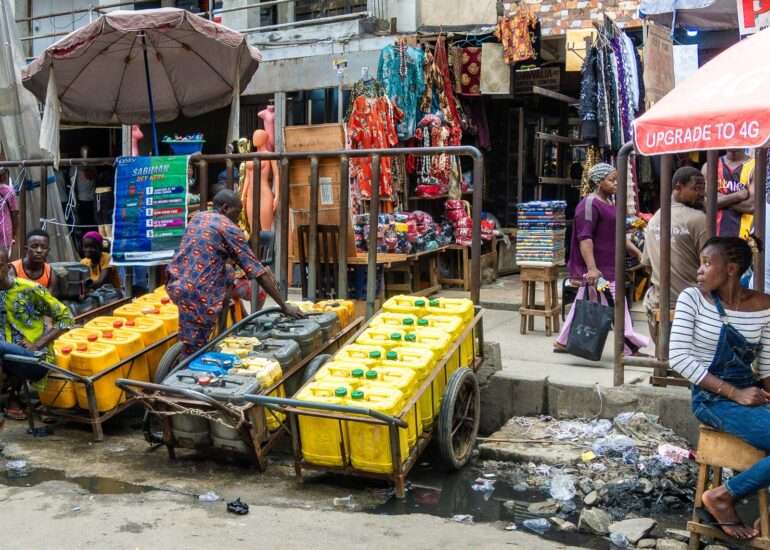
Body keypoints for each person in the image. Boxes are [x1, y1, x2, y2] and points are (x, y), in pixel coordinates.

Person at [669, 237, 770, 540]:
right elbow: (678, 357)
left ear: (731, 268)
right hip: (711, 398)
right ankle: (722, 497)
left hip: (750, 395)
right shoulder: (693, 299)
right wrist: (735, 393)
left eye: (707, 263)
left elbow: (766, 367)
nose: (699, 270)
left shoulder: (765, 306)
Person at [166, 189, 303, 356]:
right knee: (195, 352)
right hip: (199, 294)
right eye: (237, 212)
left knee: (228, 272)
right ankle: (187, 372)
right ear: (225, 208)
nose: (238, 218)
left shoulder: (198, 217)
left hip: (176, 284)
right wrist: (284, 305)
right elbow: (258, 272)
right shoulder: (228, 227)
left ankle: (221, 332)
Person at [554, 163, 649, 355]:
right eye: (612, 180)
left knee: (588, 301)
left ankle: (564, 341)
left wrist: (638, 254)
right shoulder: (589, 204)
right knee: (616, 304)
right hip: (599, 270)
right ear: (598, 182)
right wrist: (592, 269)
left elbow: (617, 235)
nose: (616, 184)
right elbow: (585, 238)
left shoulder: (610, 204)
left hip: (608, 266)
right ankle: (629, 346)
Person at [0, 247, 74, 419]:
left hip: (33, 358)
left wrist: (38, 344)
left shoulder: (29, 289)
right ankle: (12, 398)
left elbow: (66, 318)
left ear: (8, 267)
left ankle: (14, 398)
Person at [642, 166, 707, 341]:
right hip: (691, 303)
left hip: (658, 301)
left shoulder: (655, 218)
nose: (701, 194)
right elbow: (710, 267)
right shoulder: (698, 219)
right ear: (678, 187)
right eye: (696, 189)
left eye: (702, 189)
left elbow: (647, 265)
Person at [701, 149, 755, 238]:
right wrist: (738, 196)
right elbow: (705, 204)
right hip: (715, 236)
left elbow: (751, 206)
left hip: (745, 236)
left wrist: (718, 200)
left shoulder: (755, 166)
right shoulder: (709, 166)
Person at [10, 229, 57, 293]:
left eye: (43, 247)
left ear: (48, 251)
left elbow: (48, 298)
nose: (39, 251)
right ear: (26, 249)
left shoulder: (50, 273)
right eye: (34, 246)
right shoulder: (13, 269)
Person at [0, 168, 18, 256]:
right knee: (4, 256)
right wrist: (14, 232)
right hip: (5, 229)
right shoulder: (9, 191)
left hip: (5, 229)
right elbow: (14, 213)